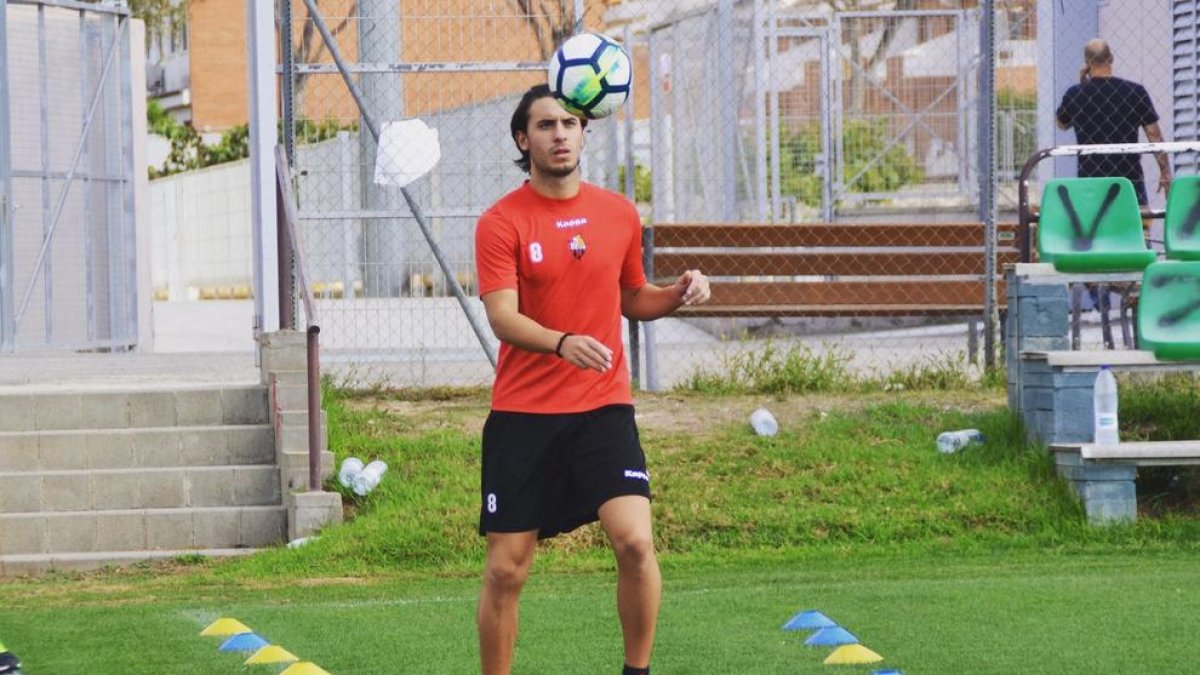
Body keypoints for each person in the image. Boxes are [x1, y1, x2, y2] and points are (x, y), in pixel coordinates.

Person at [473, 83, 711, 675]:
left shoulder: (618, 213)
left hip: (603, 409)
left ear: (585, 133)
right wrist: (560, 342)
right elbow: (503, 317)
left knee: (634, 542)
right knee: (507, 568)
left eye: (572, 123)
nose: (561, 134)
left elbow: (633, 296)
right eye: (547, 124)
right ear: (523, 139)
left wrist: (677, 294)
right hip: (524, 415)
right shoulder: (501, 221)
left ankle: (637, 672)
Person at [1056, 38, 1172, 208]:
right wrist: (1165, 172)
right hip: (1129, 181)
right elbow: (1154, 134)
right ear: (1111, 58)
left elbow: (1062, 123)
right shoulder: (1135, 91)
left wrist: (1083, 85)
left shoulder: (1074, 94)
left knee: (1095, 231)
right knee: (1136, 228)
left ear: (1087, 63)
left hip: (1091, 182)